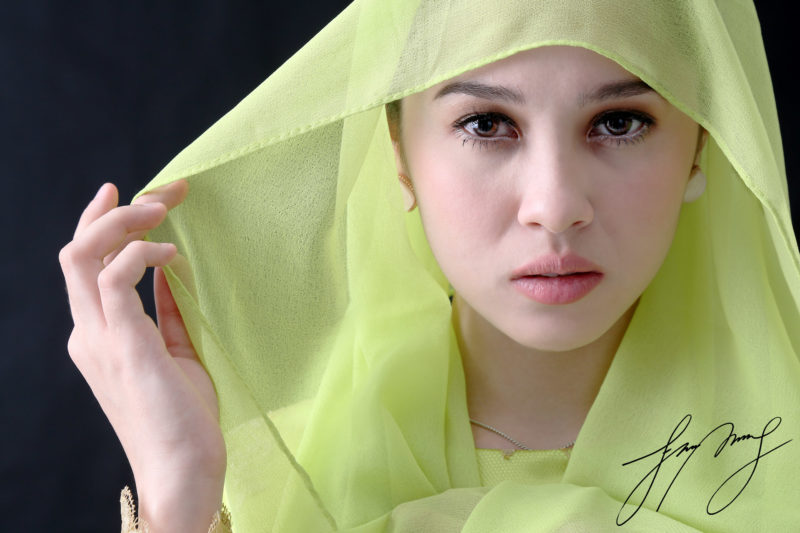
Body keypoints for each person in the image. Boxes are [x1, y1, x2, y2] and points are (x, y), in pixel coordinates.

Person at [59, 1, 800, 531]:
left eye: (619, 121)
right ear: (400, 157)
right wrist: (178, 497)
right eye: (487, 123)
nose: (554, 206)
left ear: (701, 146)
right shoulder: (264, 475)